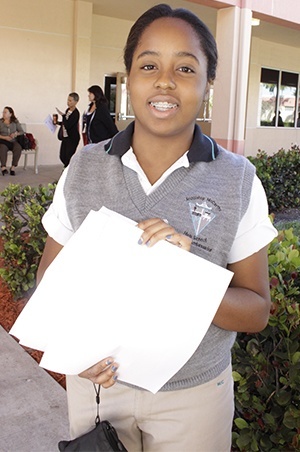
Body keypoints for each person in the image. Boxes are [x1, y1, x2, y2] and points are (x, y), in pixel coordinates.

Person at [37, 4, 278, 451]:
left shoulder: (238, 179)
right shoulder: (86, 167)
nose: (165, 80)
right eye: (149, 65)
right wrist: (75, 349)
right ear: (129, 77)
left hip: (194, 395)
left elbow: (255, 310)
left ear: (208, 84)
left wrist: (185, 275)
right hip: (97, 386)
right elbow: (49, 280)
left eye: (185, 68)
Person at [55, 93, 80, 167]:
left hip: (72, 138)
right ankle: (66, 170)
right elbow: (65, 122)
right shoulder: (67, 110)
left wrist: (62, 115)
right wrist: (57, 123)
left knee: (68, 157)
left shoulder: (76, 113)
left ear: (75, 102)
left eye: (70, 100)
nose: (68, 102)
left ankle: (67, 173)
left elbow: (68, 125)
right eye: (68, 100)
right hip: (65, 137)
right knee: (62, 156)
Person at [0, 106, 24, 175]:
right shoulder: (0, 122)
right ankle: (3, 167)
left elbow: (22, 131)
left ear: (10, 114)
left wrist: (16, 134)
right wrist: (5, 137)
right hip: (3, 141)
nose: (3, 114)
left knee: (18, 148)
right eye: (3, 112)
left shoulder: (15, 122)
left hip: (13, 141)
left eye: (5, 112)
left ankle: (13, 167)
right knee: (2, 148)